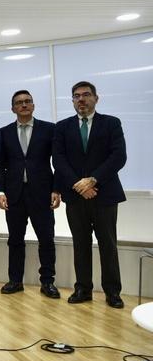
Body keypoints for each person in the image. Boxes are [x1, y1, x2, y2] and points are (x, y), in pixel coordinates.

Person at [53, 81, 127, 308]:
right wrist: (79, 185)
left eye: (86, 95)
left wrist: (93, 180)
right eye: (76, 96)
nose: (81, 99)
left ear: (96, 98)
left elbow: (118, 156)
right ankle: (83, 289)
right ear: (72, 100)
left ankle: (112, 292)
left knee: (108, 245)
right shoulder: (62, 127)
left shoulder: (111, 123)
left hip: (105, 195)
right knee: (80, 244)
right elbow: (59, 160)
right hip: (76, 197)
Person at [0, 90, 61, 298]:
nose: (23, 105)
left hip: (42, 193)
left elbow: (58, 162)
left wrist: (56, 189)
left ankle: (47, 282)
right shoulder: (4, 132)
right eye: (19, 102)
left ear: (33, 105)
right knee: (15, 240)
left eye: (27, 101)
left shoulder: (49, 129)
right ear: (12, 108)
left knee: (46, 239)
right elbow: (0, 165)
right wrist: (0, 191)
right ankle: (15, 281)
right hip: (14, 194)